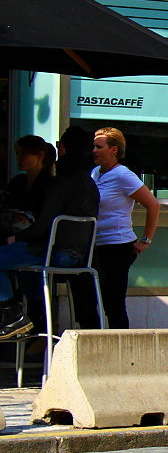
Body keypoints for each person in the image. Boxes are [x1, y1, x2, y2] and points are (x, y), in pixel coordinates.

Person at [0, 127, 100, 339]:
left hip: (55, 253)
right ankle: (34, 319)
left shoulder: (61, 181)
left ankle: (12, 313)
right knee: (19, 264)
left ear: (62, 147)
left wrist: (15, 237)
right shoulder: (89, 181)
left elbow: (43, 225)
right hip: (80, 256)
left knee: (13, 254)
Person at [91, 126, 160, 329]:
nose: (94, 150)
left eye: (99, 146)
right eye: (94, 146)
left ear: (113, 150)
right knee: (99, 299)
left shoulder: (123, 175)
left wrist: (145, 239)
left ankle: (120, 347)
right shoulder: (95, 173)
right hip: (97, 244)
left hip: (117, 245)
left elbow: (152, 204)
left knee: (114, 303)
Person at [1, 135, 55, 218]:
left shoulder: (50, 185)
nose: (18, 158)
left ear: (40, 155)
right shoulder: (17, 181)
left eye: (23, 154)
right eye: (17, 154)